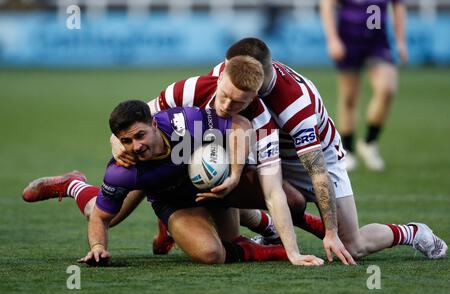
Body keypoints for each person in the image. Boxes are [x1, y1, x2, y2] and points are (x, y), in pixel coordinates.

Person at [136, 38, 445, 262]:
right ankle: (190, 217)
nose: (228, 98)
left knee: (352, 246)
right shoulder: (227, 76)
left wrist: (331, 232)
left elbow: (318, 173)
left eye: (241, 96)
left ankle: (412, 232)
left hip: (313, 159)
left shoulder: (295, 104)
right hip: (263, 149)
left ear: (259, 80)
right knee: (211, 162)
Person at [24, 57, 325, 267]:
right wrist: (98, 248)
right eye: (126, 141)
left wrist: (233, 175)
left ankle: (282, 225)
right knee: (210, 253)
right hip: (166, 195)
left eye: (140, 136)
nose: (136, 146)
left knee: (286, 200)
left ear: (154, 124)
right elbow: (100, 220)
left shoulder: (186, 121)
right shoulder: (123, 169)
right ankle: (75, 185)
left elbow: (240, 126)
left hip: (204, 185)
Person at [320, 0, 408, 171]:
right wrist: (332, 39)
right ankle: (348, 150)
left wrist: (400, 41)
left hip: (377, 43)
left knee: (387, 89)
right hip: (349, 40)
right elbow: (327, 4)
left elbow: (399, 5)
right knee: (349, 97)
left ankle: (369, 141)